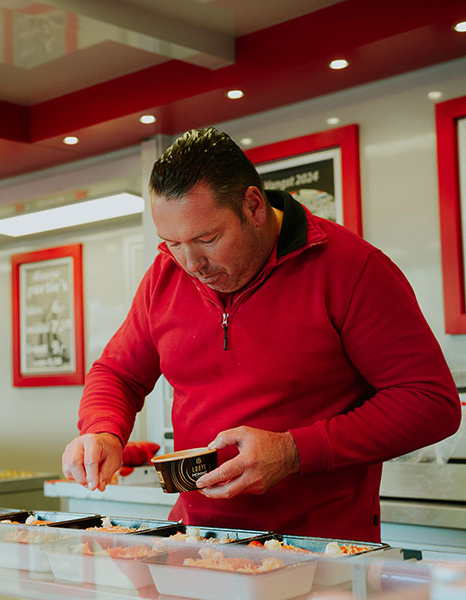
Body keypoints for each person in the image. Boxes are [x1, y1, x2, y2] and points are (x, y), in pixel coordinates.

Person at [62, 127, 461, 542]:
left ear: (253, 206)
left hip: (321, 549)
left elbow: (430, 403)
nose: (191, 263)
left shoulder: (351, 269)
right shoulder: (164, 276)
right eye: (172, 243)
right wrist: (102, 430)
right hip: (199, 540)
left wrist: (294, 452)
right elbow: (118, 373)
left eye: (207, 239)